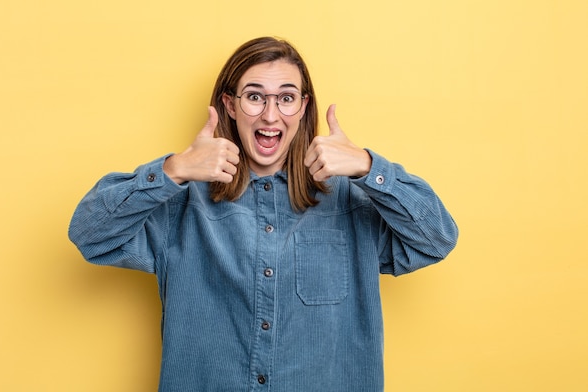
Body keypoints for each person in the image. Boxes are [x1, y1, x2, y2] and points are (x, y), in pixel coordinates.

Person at [68, 36, 458, 392]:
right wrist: (173, 170)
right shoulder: (181, 203)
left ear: (304, 108)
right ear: (230, 105)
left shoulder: (351, 199)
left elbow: (437, 238)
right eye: (255, 97)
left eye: (286, 98)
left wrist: (368, 166)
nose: (271, 115)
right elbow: (89, 233)